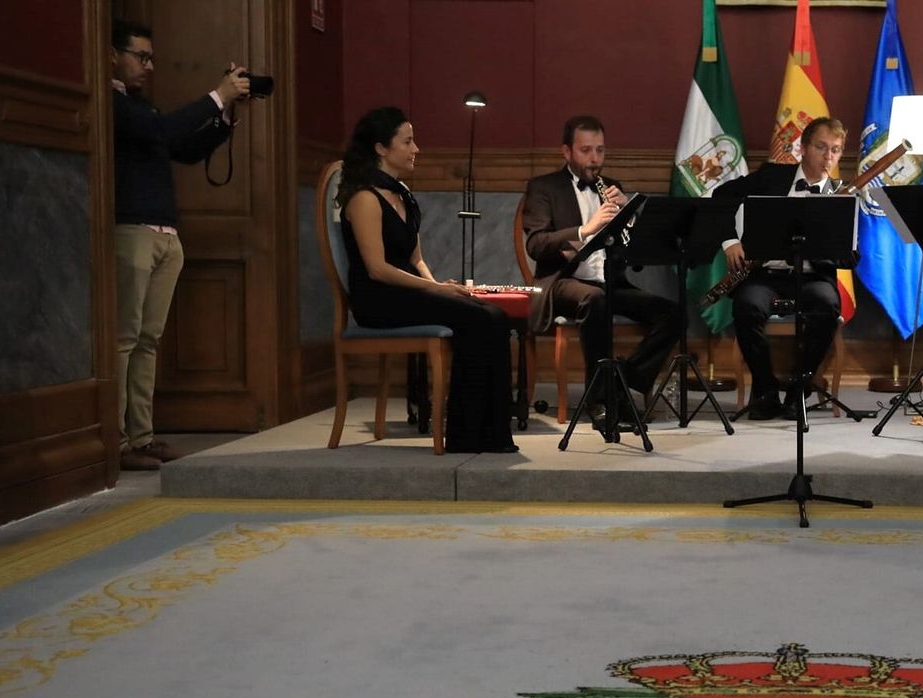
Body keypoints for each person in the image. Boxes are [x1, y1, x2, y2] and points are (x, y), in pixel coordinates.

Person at [338, 107, 516, 454]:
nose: (416, 148)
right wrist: (437, 290)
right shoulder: (364, 198)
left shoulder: (402, 193)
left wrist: (446, 289)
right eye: (407, 141)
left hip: (404, 292)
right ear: (381, 149)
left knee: (493, 315)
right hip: (378, 299)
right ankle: (468, 437)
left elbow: (416, 258)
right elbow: (376, 268)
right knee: (478, 318)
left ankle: (489, 434)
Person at [111, 19, 247, 471]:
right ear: (113, 54)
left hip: (165, 234)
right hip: (131, 230)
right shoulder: (110, 101)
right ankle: (115, 441)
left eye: (151, 58)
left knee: (148, 341)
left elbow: (183, 150)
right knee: (124, 340)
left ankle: (142, 437)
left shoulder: (140, 107)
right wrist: (216, 97)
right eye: (141, 56)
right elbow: (161, 134)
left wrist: (225, 115)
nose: (148, 66)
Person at [523, 115, 682, 428]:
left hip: (608, 282)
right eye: (586, 150)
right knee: (595, 300)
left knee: (673, 313)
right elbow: (536, 244)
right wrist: (585, 229)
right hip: (563, 282)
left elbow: (632, 255)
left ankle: (620, 381)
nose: (594, 159)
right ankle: (599, 402)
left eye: (600, 150)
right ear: (566, 152)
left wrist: (629, 219)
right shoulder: (543, 188)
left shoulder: (612, 188)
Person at [713, 117, 848, 421]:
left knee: (827, 306)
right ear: (802, 148)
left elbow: (849, 259)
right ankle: (765, 390)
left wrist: (837, 240)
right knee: (747, 307)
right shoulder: (772, 176)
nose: (828, 157)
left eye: (836, 150)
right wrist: (730, 241)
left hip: (813, 276)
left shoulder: (841, 194)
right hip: (766, 275)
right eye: (821, 147)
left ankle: (799, 389)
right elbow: (721, 196)